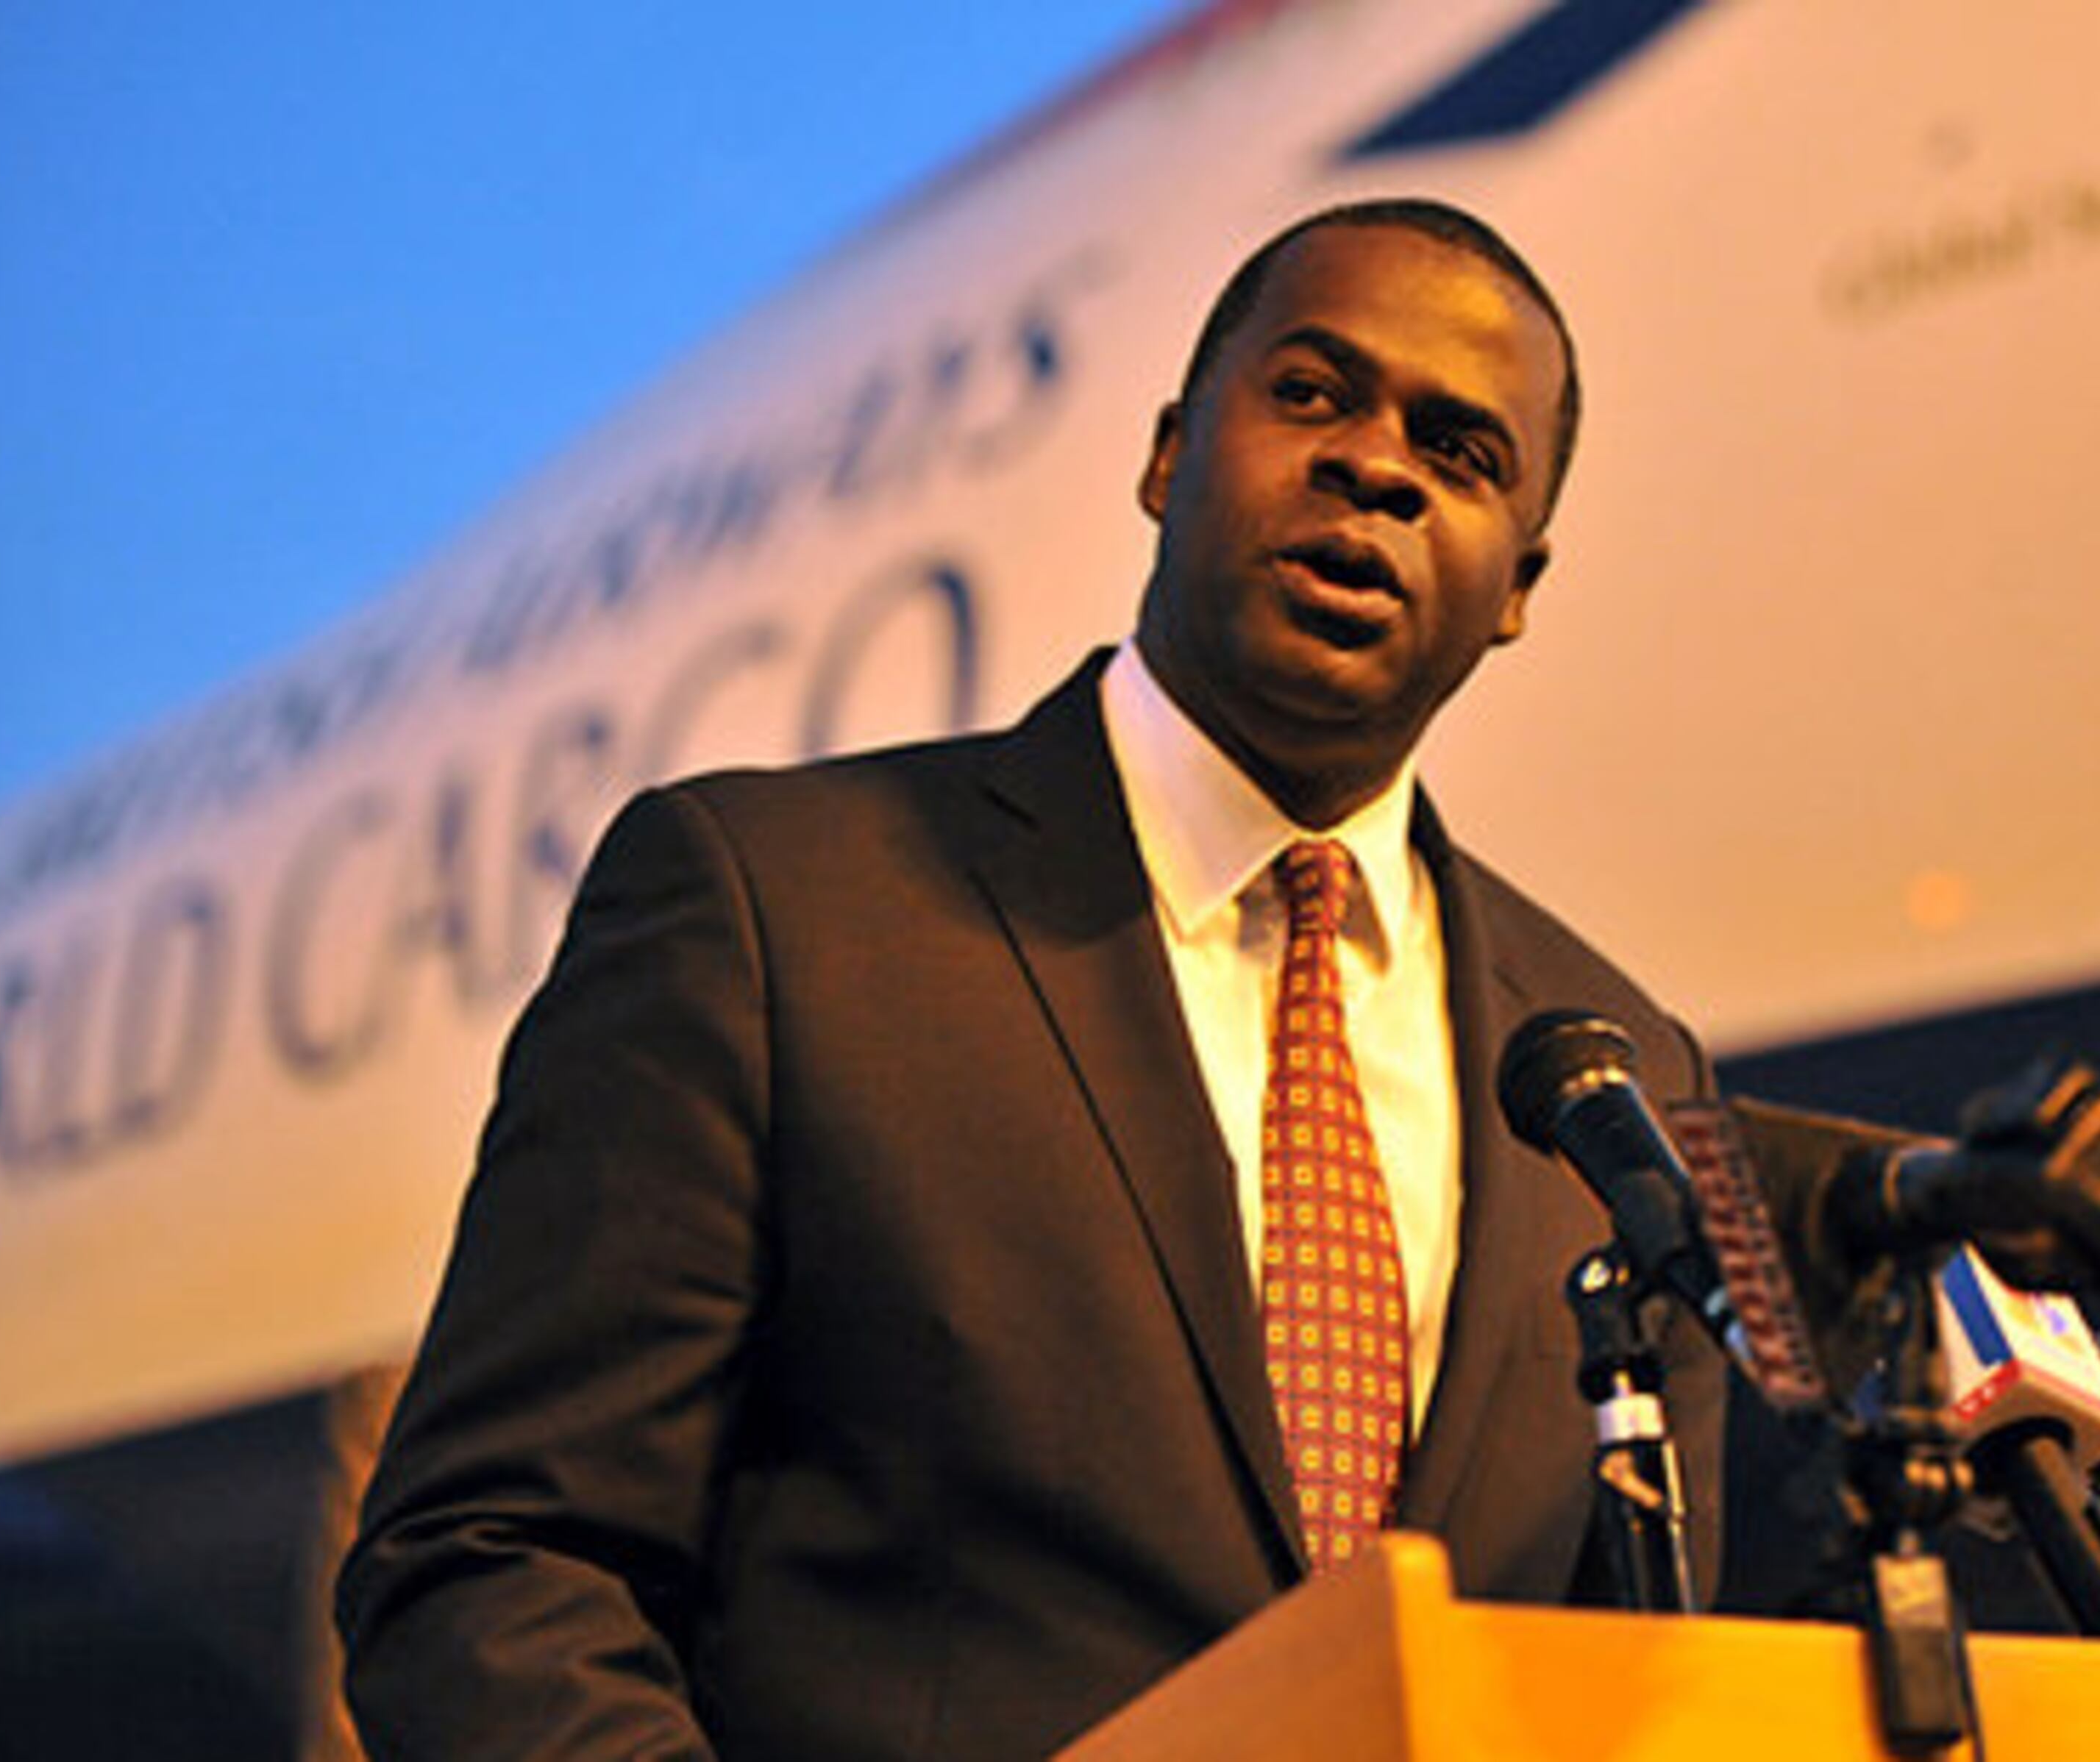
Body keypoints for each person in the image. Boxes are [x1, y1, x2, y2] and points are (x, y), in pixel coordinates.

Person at [335, 198, 1729, 1758]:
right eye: (1313, 392)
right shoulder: (775, 910)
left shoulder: (1619, 1078)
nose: (1378, 465)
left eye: (1462, 454)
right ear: (1165, 453)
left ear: (1522, 581)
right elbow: (495, 1564)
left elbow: (1656, 1690)